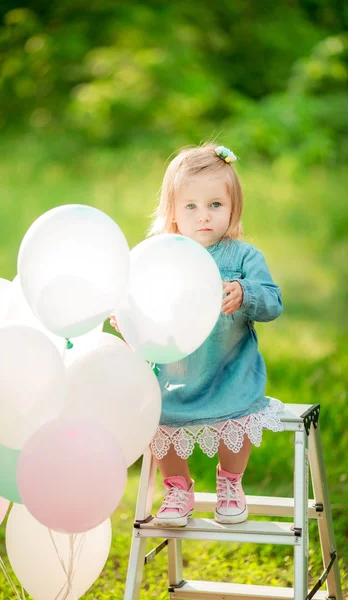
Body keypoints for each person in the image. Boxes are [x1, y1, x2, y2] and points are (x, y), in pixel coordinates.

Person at [110, 142, 284, 527]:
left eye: (215, 205)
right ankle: (177, 486)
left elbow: (273, 303)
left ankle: (230, 482)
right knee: (158, 423)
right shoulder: (159, 257)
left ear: (232, 208)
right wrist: (128, 318)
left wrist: (246, 294)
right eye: (191, 206)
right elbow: (139, 301)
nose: (203, 216)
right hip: (175, 376)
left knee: (236, 420)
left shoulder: (243, 257)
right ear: (172, 211)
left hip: (229, 371)